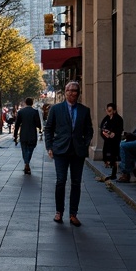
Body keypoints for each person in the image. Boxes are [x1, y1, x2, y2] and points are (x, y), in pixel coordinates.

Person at [43, 80, 93, 226]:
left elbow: (89, 130)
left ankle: (73, 214)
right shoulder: (56, 109)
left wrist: (85, 143)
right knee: (61, 181)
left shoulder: (84, 110)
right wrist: (49, 146)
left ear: (78, 93)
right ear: (65, 93)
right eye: (69, 91)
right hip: (60, 150)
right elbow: (49, 128)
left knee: (76, 183)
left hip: (78, 151)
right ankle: (59, 212)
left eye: (74, 91)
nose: (71, 93)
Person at [14, 97, 43, 174]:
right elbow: (38, 124)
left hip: (23, 133)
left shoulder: (20, 112)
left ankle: (26, 164)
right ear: (32, 103)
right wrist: (40, 129)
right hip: (32, 134)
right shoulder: (35, 112)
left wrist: (15, 135)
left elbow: (17, 125)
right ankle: (27, 163)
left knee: (24, 150)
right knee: (30, 149)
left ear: (25, 103)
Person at [99, 101, 124, 181]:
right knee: (108, 157)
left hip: (115, 141)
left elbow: (119, 130)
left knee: (114, 157)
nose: (108, 112)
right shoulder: (106, 118)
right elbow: (102, 127)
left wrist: (113, 134)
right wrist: (104, 133)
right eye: (107, 110)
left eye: (110, 111)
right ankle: (112, 173)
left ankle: (114, 174)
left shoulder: (118, 119)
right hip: (107, 141)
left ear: (114, 110)